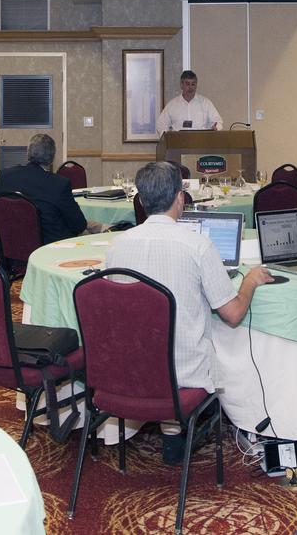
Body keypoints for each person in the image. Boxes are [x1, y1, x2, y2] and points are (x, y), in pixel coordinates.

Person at [106, 160, 273, 462]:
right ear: (180, 198)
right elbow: (233, 314)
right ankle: (214, 424)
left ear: (141, 201)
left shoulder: (117, 246)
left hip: (127, 371)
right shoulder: (198, 246)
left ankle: (172, 432)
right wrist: (249, 281)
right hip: (183, 373)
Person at [0, 133, 100, 244]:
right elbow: (78, 225)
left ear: (28, 153)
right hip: (50, 250)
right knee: (92, 233)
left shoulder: (5, 176)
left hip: (11, 248)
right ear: (52, 158)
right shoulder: (59, 184)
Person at [156, 70, 222, 132]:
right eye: (187, 84)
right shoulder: (172, 105)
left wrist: (216, 127)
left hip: (201, 142)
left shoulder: (206, 103)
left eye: (193, 84)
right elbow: (160, 125)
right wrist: (168, 138)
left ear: (196, 85)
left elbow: (218, 121)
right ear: (181, 85)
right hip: (178, 143)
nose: (190, 87)